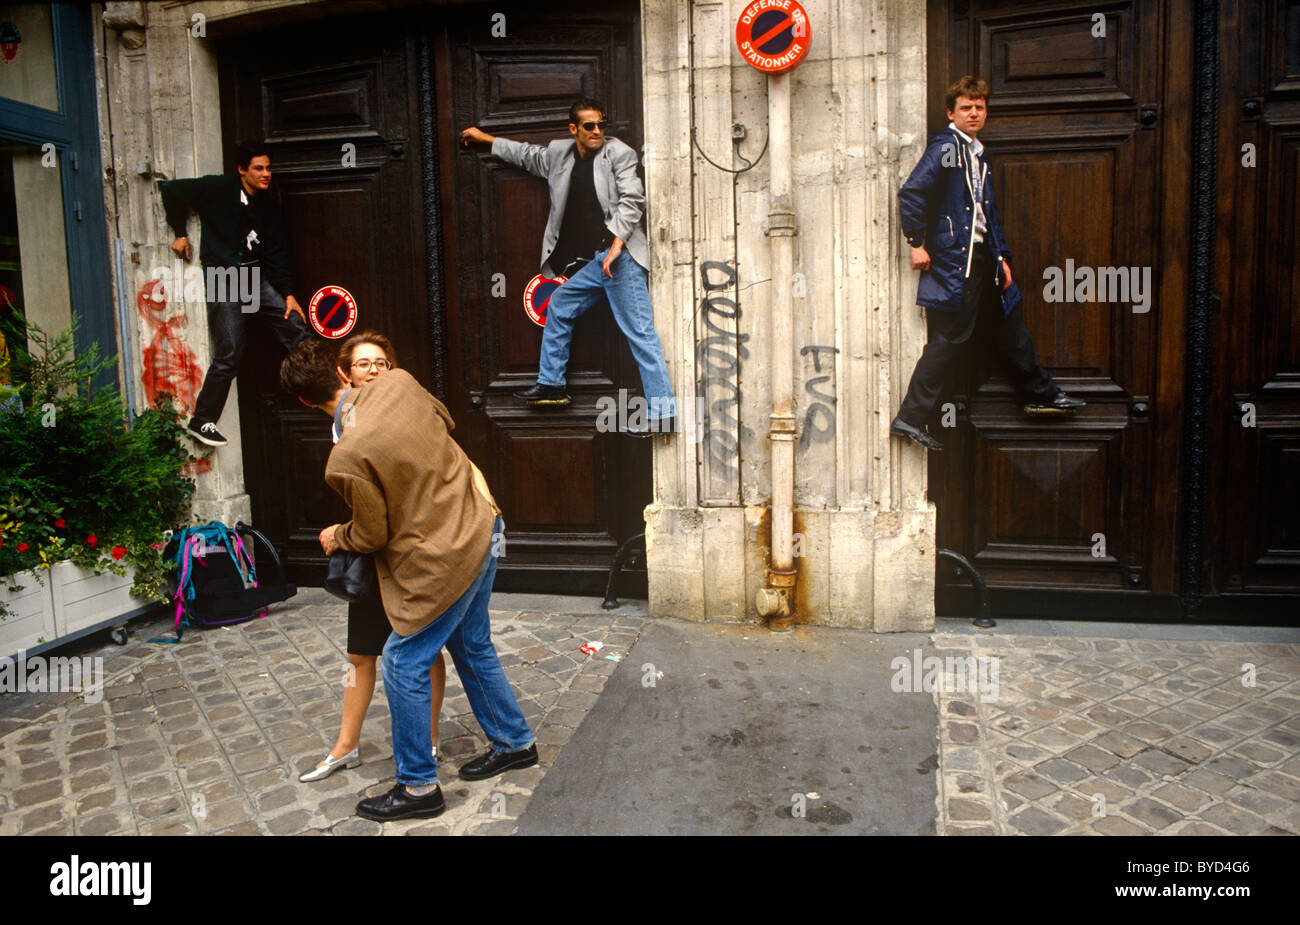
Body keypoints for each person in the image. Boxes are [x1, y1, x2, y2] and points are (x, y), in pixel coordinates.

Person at [280, 339, 536, 821]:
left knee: (402, 659)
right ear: (340, 375)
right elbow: (445, 425)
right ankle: (515, 742)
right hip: (483, 523)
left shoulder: (346, 457)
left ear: (304, 400)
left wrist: (338, 533)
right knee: (471, 643)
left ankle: (418, 788)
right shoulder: (398, 382)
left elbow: (372, 531)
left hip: (449, 551)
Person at [890, 76, 1084, 452]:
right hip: (955, 263)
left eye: (979, 107)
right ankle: (910, 418)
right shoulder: (948, 148)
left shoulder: (978, 152)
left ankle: (1042, 394)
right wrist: (916, 243)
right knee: (949, 340)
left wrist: (1002, 257)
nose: (974, 113)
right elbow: (912, 192)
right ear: (952, 113)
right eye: (966, 107)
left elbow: (988, 213)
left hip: (983, 260)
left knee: (1010, 327)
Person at [460, 98, 676, 436]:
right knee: (560, 303)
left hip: (621, 260)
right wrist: (486, 139)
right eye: (589, 126)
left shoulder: (619, 153)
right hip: (596, 260)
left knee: (640, 333)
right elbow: (526, 156)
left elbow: (632, 200)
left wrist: (616, 247)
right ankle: (552, 385)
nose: (597, 131)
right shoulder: (559, 154)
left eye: (601, 125)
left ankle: (663, 413)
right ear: (573, 128)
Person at [297, 332, 449, 783]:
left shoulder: (402, 410)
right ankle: (345, 746)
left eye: (382, 363)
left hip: (405, 550)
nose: (375, 370)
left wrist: (344, 535)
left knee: (424, 649)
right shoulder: (341, 421)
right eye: (364, 364)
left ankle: (432, 738)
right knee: (360, 654)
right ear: (346, 373)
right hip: (370, 548)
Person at [161, 142, 311, 448]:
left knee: (295, 327)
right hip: (225, 276)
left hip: (253, 277)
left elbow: (279, 251)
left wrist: (288, 293)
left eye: (269, 168)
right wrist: (179, 233)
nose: (266, 174)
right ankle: (202, 420)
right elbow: (171, 190)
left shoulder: (268, 204)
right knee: (230, 352)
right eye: (259, 168)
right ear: (242, 170)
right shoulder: (217, 188)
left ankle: (317, 388)